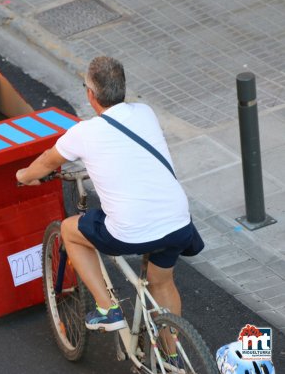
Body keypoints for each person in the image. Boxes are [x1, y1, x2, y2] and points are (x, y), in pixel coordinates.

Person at [17, 56, 201, 332]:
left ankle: (108, 309)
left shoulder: (84, 133)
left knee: (70, 230)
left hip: (130, 230)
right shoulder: (145, 112)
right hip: (178, 221)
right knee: (162, 282)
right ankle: (172, 357)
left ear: (90, 94)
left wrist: (23, 177)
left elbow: (46, 161)